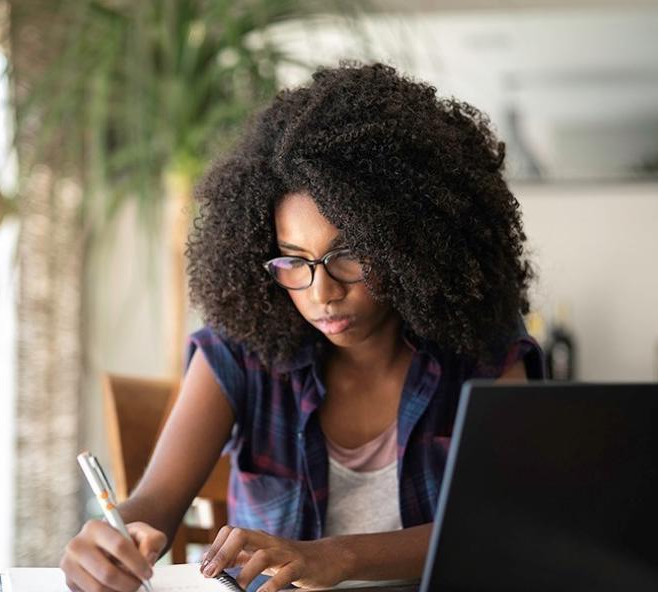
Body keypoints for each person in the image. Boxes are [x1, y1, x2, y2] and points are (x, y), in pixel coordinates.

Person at [59, 62, 544, 592]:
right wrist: (116, 539)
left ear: (409, 247)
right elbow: (155, 504)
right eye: (293, 260)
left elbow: (507, 523)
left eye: (349, 255)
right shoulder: (239, 351)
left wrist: (337, 557)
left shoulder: (480, 349)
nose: (321, 292)